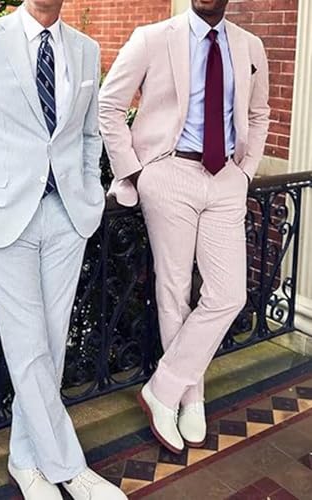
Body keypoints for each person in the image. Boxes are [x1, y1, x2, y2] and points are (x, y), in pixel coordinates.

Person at [0, 1, 127, 499]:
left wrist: (88, 190)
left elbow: (89, 135)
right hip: (0, 218)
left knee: (50, 345)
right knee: (28, 345)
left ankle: (25, 461)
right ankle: (71, 469)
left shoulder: (85, 49)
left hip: (66, 216)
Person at [99, 0, 269, 454]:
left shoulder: (250, 46)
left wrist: (246, 172)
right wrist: (135, 171)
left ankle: (164, 388)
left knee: (229, 294)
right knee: (173, 291)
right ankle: (190, 398)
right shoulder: (152, 38)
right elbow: (109, 105)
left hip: (226, 177)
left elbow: (258, 114)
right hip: (169, 170)